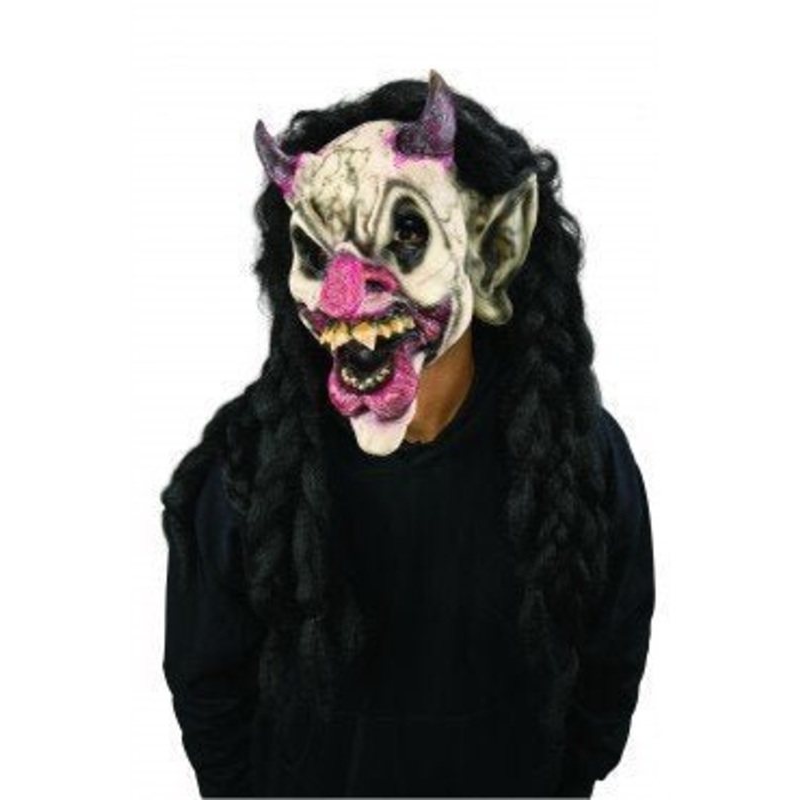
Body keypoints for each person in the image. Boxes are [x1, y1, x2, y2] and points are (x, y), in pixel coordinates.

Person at [161, 69, 655, 798]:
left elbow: (609, 666)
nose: (343, 294)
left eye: (407, 233)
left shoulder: (577, 455)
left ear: (492, 251)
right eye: (316, 252)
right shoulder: (251, 464)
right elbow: (208, 683)